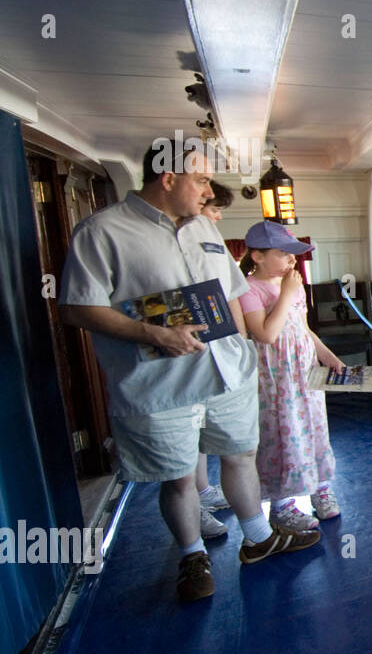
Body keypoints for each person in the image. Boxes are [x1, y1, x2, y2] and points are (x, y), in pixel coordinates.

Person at [59, 139, 320, 603]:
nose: (208, 190)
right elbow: (78, 308)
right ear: (168, 177)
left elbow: (231, 292)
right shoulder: (102, 232)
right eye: (201, 179)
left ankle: (258, 538)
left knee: (240, 456)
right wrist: (153, 334)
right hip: (163, 383)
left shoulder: (204, 228)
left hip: (226, 375)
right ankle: (192, 554)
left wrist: (243, 353)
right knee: (180, 477)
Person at [238, 221, 343, 531]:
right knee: (282, 433)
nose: (291, 261)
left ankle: (320, 488)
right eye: (283, 255)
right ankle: (282, 505)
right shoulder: (248, 289)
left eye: (292, 255)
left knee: (314, 427)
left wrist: (327, 355)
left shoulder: (292, 286)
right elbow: (266, 334)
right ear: (257, 256)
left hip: (305, 373)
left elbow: (303, 327)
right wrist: (286, 293)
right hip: (275, 380)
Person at [192, 180, 235, 535]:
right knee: (189, 434)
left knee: (204, 431)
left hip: (218, 354)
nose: (217, 216)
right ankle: (193, 507)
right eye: (214, 208)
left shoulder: (213, 243)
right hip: (183, 359)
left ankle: (203, 490)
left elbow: (231, 292)